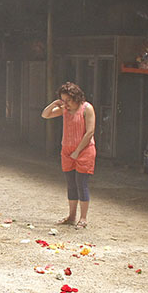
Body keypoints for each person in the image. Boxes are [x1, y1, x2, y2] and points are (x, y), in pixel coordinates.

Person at [41, 81, 96, 227]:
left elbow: (90, 131)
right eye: (63, 100)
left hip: (84, 150)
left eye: (69, 100)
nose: (66, 104)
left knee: (81, 183)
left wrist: (78, 151)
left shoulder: (87, 108)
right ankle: (71, 216)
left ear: (76, 97)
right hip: (67, 150)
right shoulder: (64, 109)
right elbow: (45, 115)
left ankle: (83, 218)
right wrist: (54, 104)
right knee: (71, 184)